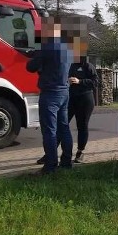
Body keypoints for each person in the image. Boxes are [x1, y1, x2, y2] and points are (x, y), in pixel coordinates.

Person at [26, 17, 74, 174]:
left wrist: (33, 56)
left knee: (49, 131)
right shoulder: (68, 47)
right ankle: (66, 162)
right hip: (64, 92)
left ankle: (50, 166)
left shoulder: (46, 47)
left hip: (50, 94)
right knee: (64, 128)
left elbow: (31, 67)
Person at [37, 56, 98, 165]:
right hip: (69, 98)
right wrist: (67, 81)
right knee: (62, 125)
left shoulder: (88, 66)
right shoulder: (68, 64)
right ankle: (50, 154)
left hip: (85, 99)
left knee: (82, 125)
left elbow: (95, 82)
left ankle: (80, 152)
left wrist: (80, 81)